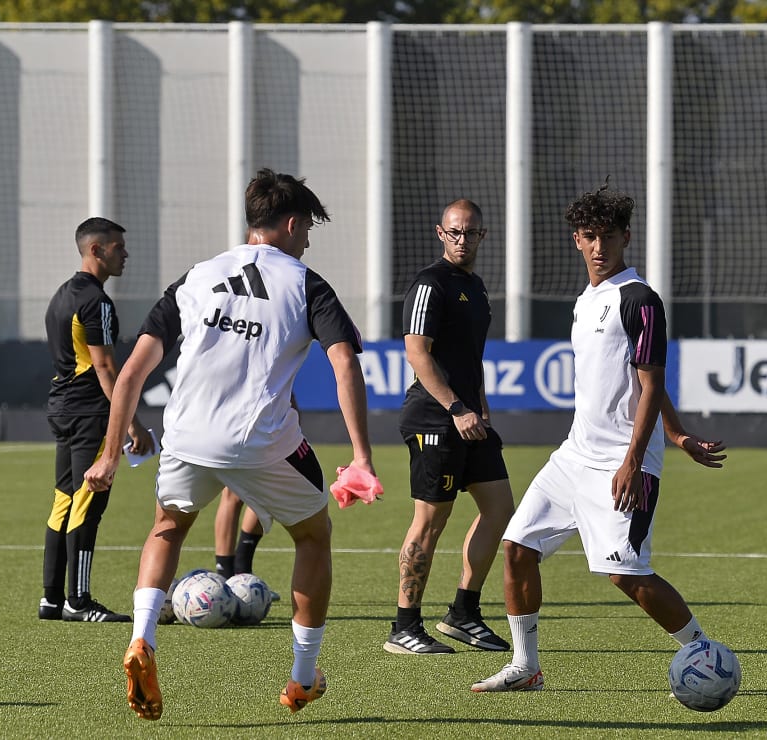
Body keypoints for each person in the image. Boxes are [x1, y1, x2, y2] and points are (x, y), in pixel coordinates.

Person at [83, 168, 381, 721]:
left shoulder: (196, 276)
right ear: (291, 224)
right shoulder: (305, 282)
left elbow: (130, 376)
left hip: (187, 435)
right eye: (309, 229)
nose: (309, 240)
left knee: (167, 527)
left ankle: (143, 638)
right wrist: (360, 457)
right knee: (313, 536)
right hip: (262, 441)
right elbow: (345, 366)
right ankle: (301, 677)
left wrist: (107, 457)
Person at [472, 184, 727, 693]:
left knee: (627, 575)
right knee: (517, 548)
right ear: (576, 240)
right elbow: (639, 378)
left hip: (622, 461)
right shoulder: (586, 301)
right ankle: (527, 667)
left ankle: (707, 655)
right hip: (574, 456)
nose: (598, 246)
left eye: (607, 236)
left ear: (625, 237)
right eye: (589, 236)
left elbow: (651, 382)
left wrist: (641, 456)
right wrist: (678, 433)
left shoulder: (641, 300)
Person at [385, 199, 515, 655]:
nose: (462, 240)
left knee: (500, 508)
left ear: (482, 236)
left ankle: (463, 612)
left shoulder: (476, 288)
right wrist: (458, 407)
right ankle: (404, 627)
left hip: (470, 417)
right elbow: (418, 353)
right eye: (454, 232)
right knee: (430, 520)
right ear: (441, 233)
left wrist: (481, 409)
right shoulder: (430, 283)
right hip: (434, 416)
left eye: (471, 233)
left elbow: (470, 361)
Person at [40, 217, 152, 623]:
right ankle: (79, 601)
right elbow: (105, 367)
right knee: (87, 503)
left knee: (64, 501)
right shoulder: (96, 301)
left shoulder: (61, 295)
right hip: (89, 411)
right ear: (96, 250)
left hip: (63, 407)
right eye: (118, 247)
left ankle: (52, 599)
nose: (125, 254)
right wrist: (132, 424)